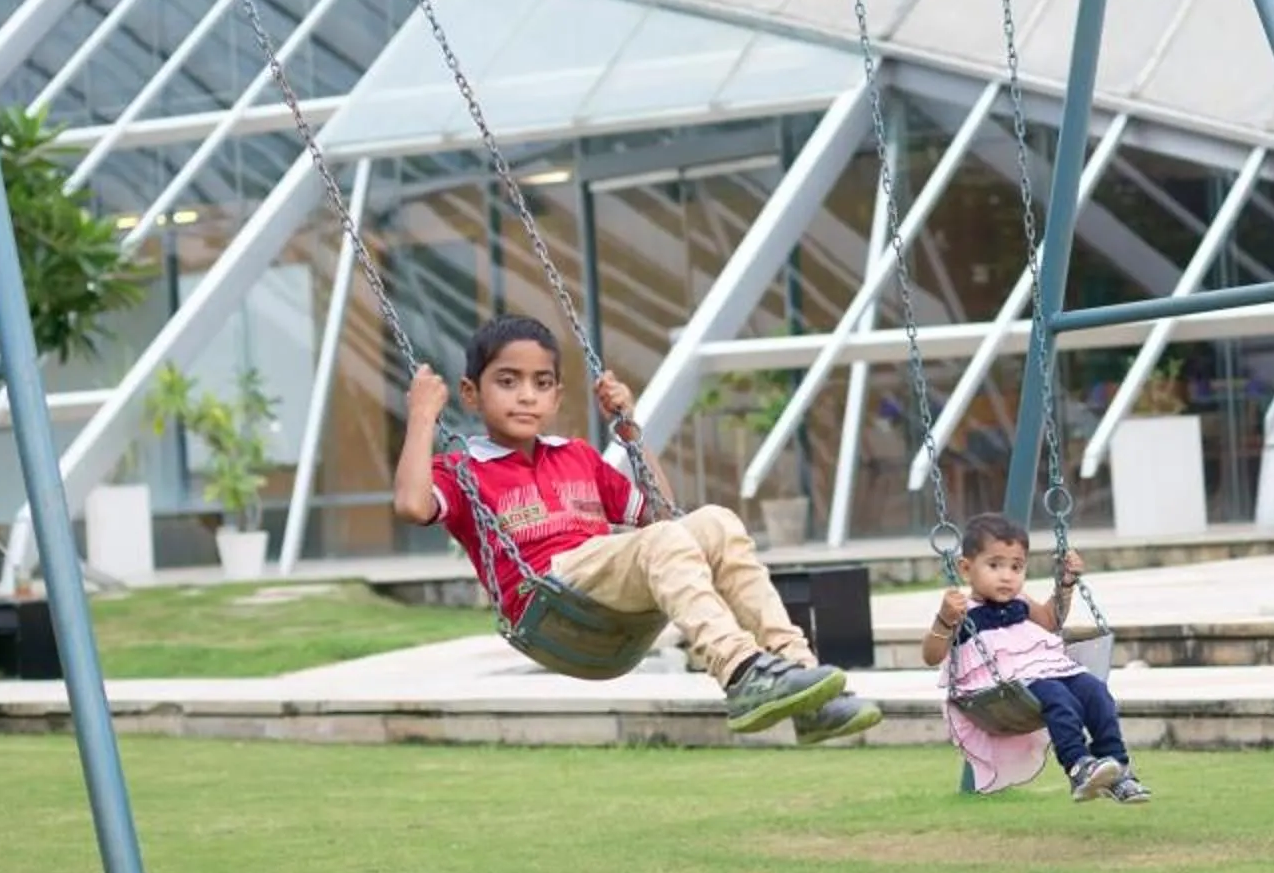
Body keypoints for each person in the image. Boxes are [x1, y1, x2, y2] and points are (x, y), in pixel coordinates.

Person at [391, 314, 879, 743]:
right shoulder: (463, 470)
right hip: (549, 595)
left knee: (715, 522)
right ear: (472, 393)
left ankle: (804, 680)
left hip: (607, 579)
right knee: (662, 540)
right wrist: (421, 417)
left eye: (542, 383)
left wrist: (630, 433)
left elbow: (665, 516)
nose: (526, 396)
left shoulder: (576, 455)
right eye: (508, 381)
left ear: (557, 395)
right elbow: (412, 505)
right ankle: (739, 670)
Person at [923, 513, 1151, 803]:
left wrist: (1065, 585)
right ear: (967, 569)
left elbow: (1049, 620)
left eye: (1016, 567)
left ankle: (1117, 767)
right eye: (994, 565)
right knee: (1058, 697)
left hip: (1045, 669)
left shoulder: (1021, 601)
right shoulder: (961, 609)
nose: (1007, 576)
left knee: (1096, 690)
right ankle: (1079, 766)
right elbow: (931, 655)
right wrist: (944, 621)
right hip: (1005, 683)